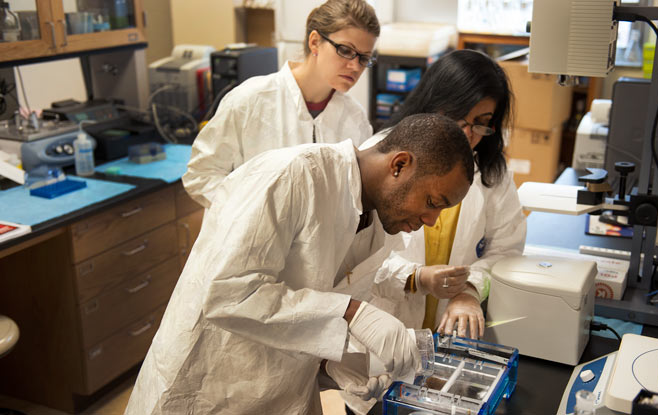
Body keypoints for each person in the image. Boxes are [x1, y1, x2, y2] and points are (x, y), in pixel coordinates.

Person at [124, 113, 476, 415]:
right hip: (210, 388)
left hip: (284, 393)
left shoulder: (378, 223)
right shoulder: (292, 176)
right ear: (399, 165)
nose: (431, 220)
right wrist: (352, 312)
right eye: (432, 202)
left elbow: (304, 305)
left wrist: (341, 361)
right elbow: (228, 293)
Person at [339, 48, 527, 415]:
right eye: (459, 118)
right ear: (433, 103)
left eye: (482, 122)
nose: (468, 134)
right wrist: (415, 278)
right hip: (381, 340)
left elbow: (506, 250)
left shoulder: (491, 172)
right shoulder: (379, 157)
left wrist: (469, 289)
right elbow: (350, 262)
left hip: (452, 350)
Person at [182, 0, 379, 208]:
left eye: (364, 58)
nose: (355, 66)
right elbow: (201, 175)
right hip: (253, 238)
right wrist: (251, 213)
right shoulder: (250, 101)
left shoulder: (354, 117)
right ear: (314, 42)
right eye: (346, 50)